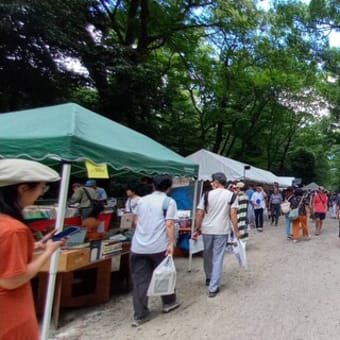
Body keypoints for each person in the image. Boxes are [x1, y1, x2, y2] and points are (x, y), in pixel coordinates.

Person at [0, 159, 66, 340]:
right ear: (22, 188)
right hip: (10, 313)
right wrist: (48, 251)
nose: (40, 194)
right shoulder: (14, 229)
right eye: (41, 188)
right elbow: (11, 280)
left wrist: (33, 246)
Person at [130, 174, 180, 327]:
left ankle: (140, 314)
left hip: (138, 246)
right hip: (159, 245)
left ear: (153, 186)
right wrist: (171, 243)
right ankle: (169, 302)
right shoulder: (168, 201)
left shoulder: (140, 201)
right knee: (165, 273)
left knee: (140, 280)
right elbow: (169, 224)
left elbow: (134, 221)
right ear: (169, 187)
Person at [192, 172, 239, 298]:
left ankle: (208, 277)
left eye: (213, 181)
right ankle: (213, 287)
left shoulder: (206, 195)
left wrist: (197, 228)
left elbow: (199, 213)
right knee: (218, 257)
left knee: (207, 255)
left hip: (207, 229)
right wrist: (236, 231)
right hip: (222, 230)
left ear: (217, 182)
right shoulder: (232, 196)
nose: (211, 183)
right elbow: (233, 215)